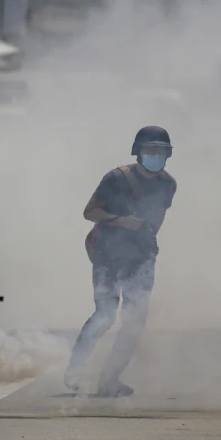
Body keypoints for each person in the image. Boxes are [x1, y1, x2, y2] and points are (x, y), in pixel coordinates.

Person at [65, 126, 177, 397]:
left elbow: (159, 217)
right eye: (151, 149)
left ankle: (109, 379)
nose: (156, 155)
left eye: (161, 150)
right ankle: (74, 372)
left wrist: (147, 242)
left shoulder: (168, 183)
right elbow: (90, 212)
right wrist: (119, 221)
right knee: (105, 315)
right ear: (138, 151)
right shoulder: (117, 178)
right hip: (109, 254)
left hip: (141, 258)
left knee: (135, 321)